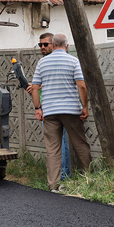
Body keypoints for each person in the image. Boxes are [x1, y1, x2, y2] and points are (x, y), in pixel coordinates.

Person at [30, 33, 91, 192]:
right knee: (80, 145)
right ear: (67, 46)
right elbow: (82, 86)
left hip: (50, 112)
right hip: (71, 111)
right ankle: (88, 181)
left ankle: (53, 185)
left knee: (53, 150)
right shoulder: (73, 61)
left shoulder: (42, 63)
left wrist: (38, 108)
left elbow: (34, 87)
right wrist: (85, 106)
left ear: (53, 45)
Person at [27, 32, 71, 180]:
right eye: (40, 45)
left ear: (54, 44)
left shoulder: (57, 61)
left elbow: (62, 84)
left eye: (45, 44)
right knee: (58, 143)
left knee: (58, 143)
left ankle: (62, 176)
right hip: (49, 108)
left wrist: (39, 87)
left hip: (56, 108)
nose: (42, 47)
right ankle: (62, 175)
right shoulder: (44, 62)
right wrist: (35, 90)